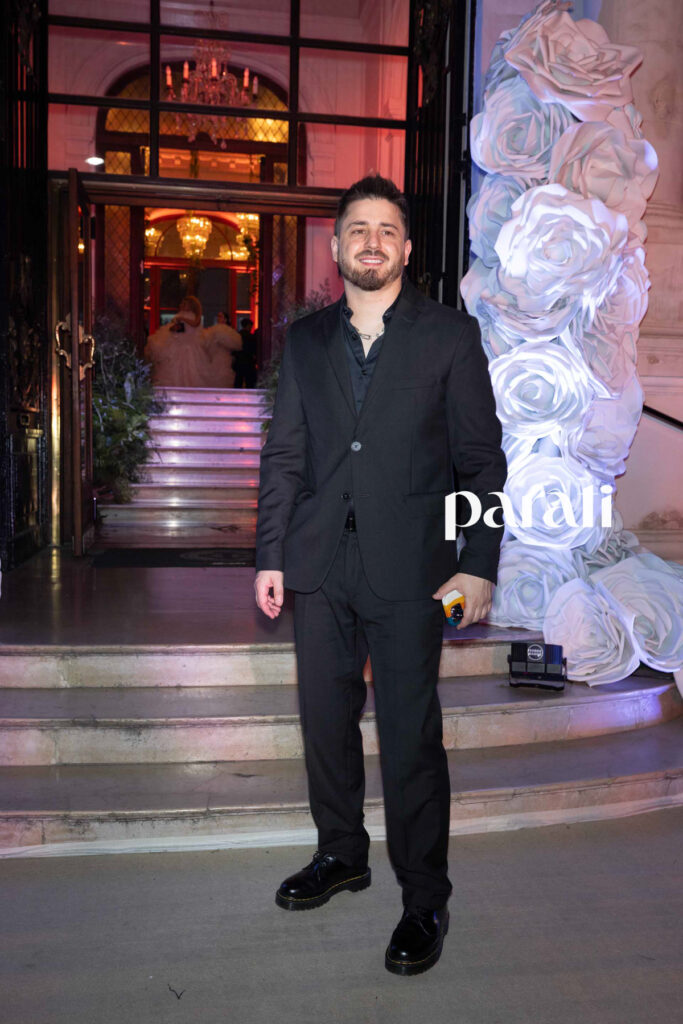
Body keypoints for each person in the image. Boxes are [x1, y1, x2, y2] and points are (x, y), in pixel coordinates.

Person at [254, 175, 507, 976]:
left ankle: (424, 896)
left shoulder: (450, 337)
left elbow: (480, 461)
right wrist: (270, 554)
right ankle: (341, 853)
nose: (371, 240)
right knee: (325, 724)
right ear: (335, 247)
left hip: (414, 572)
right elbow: (285, 454)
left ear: (405, 248)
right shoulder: (304, 341)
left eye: (386, 229)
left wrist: (477, 565)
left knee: (408, 737)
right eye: (357, 228)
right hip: (318, 566)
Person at [233, 316, 258, 388]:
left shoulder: (237, 335)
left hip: (239, 361)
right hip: (249, 361)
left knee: (238, 381)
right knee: (249, 382)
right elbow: (253, 349)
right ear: (248, 326)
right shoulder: (251, 337)